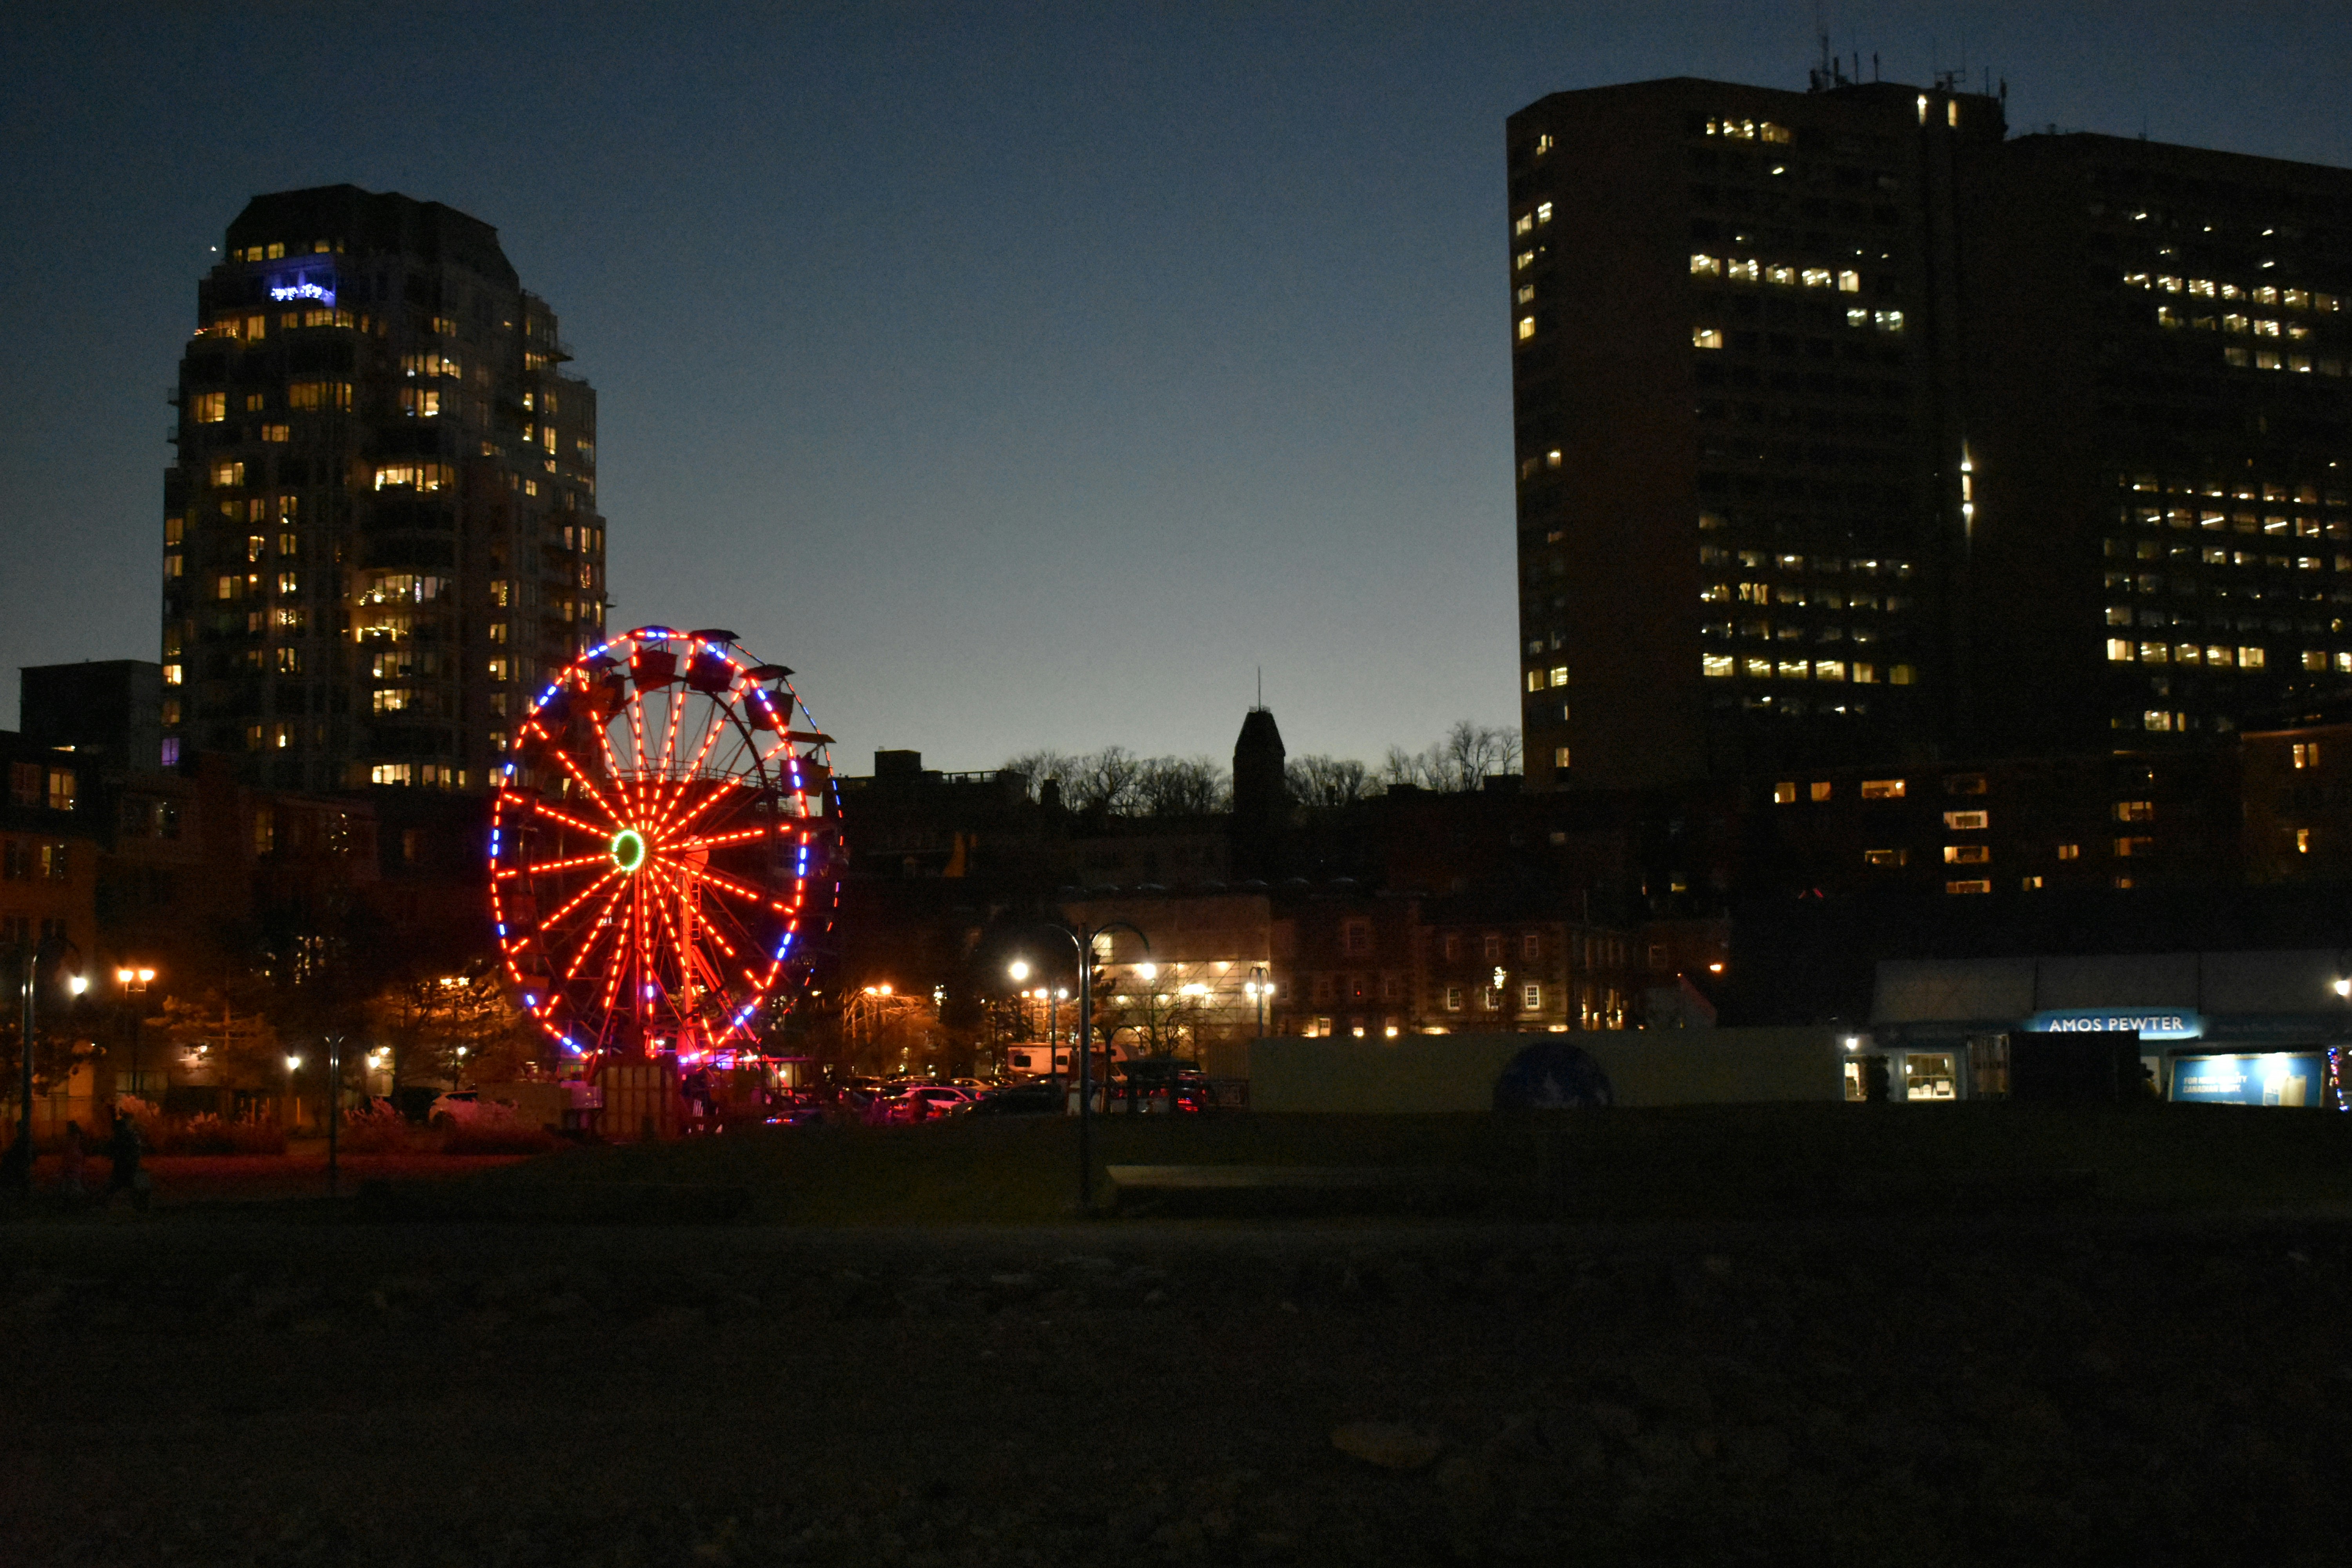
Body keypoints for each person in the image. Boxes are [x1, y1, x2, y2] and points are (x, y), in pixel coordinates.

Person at [106, 1107, 145, 1209]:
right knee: (125, 1184)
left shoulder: (124, 1133)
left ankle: (106, 1202)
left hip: (124, 1163)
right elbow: (137, 1149)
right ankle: (138, 1204)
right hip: (127, 1163)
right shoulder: (130, 1134)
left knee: (120, 1184)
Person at [58, 1120, 87, 1207]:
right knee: (74, 1179)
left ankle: (72, 1201)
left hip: (72, 1158)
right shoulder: (78, 1136)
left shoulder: (71, 1137)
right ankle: (74, 1200)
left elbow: (68, 1147)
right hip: (75, 1158)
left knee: (71, 1180)